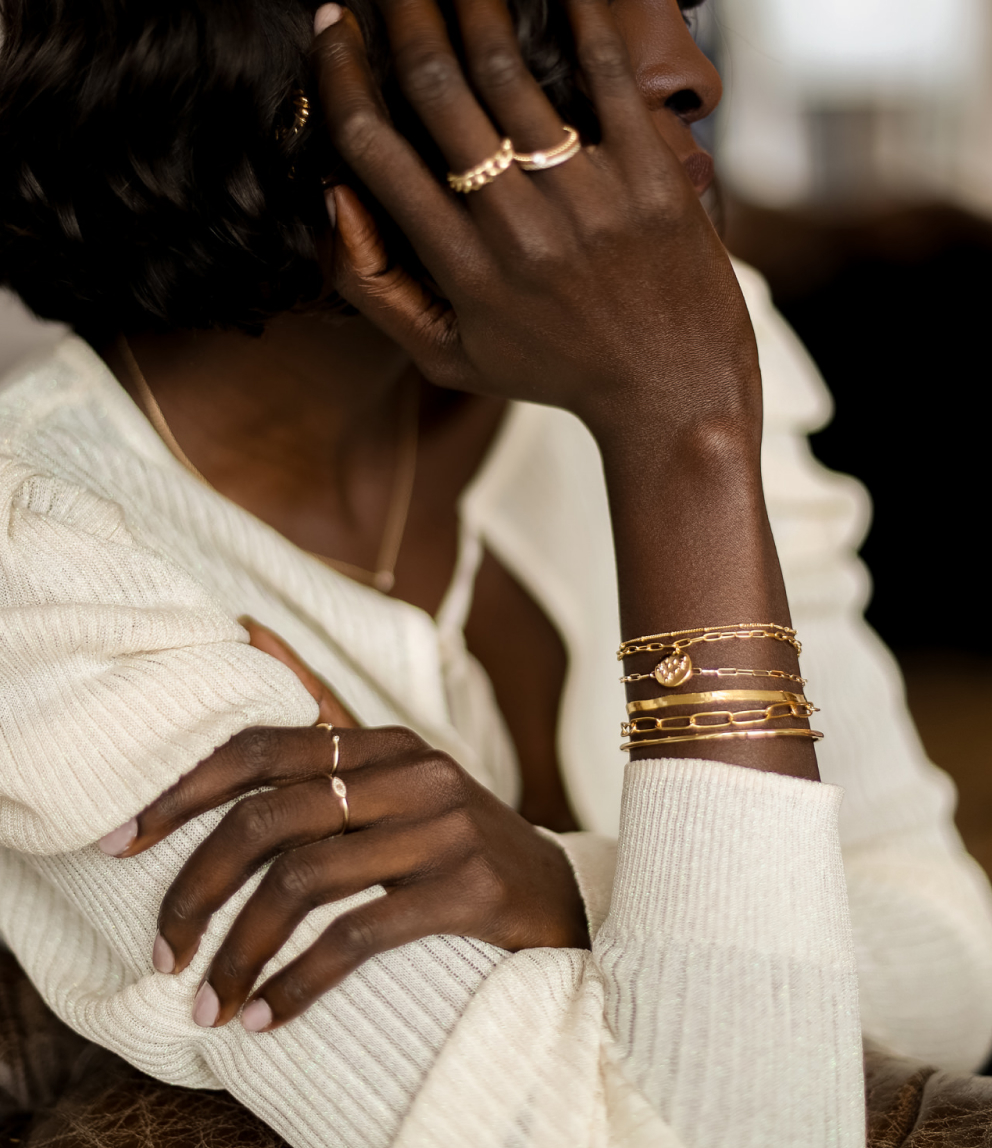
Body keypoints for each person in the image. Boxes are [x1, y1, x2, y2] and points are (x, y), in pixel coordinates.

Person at [1, 0, 991, 1145]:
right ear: (279, 85)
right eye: (554, 14)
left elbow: (953, 950)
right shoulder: (46, 562)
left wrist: (567, 886)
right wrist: (675, 442)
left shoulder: (686, 345)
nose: (683, 73)